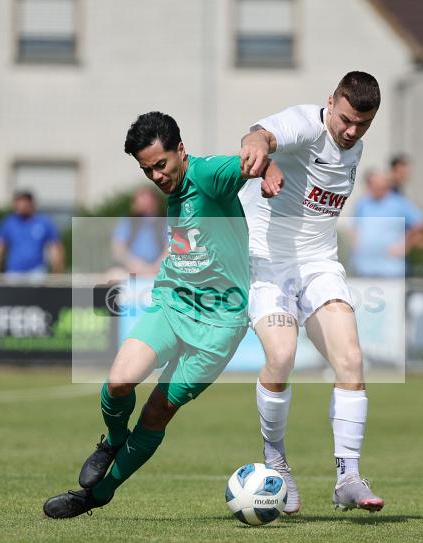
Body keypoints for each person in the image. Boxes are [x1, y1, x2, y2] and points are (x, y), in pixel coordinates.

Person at [43, 111, 283, 519]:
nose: (155, 175)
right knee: (120, 381)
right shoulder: (172, 186)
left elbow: (251, 156)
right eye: (146, 169)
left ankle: (96, 497)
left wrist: (266, 161)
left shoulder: (207, 175)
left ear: (181, 151)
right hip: (172, 302)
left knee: (156, 412)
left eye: (161, 165)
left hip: (218, 327)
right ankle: (112, 441)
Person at [238, 71, 385, 514]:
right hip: (268, 266)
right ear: (330, 103)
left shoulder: (353, 145)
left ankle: (348, 477)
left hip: (320, 267)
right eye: (344, 119)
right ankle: (276, 460)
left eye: (362, 123)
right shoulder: (305, 123)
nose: (351, 131)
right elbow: (257, 136)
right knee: (281, 357)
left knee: (351, 359)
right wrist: (263, 157)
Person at [350, 162, 423, 278]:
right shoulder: (363, 203)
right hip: (364, 268)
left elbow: (421, 223)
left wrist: (405, 246)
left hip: (391, 269)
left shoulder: (399, 203)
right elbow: (354, 227)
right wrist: (357, 243)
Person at [0, 191, 65, 277]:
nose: (21, 206)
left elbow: (55, 248)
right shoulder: (8, 223)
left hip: (37, 273)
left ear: (31, 203)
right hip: (14, 273)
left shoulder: (43, 222)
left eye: (24, 202)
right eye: (18, 202)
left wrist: (57, 273)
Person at [109, 186, 168, 278]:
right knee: (114, 275)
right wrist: (137, 266)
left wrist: (156, 267)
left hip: (160, 270)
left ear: (156, 201)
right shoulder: (127, 221)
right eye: (140, 198)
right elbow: (118, 250)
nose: (145, 202)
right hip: (131, 269)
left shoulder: (166, 221)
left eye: (147, 198)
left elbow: (169, 249)